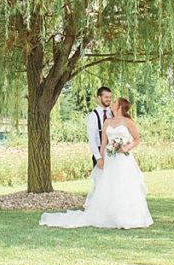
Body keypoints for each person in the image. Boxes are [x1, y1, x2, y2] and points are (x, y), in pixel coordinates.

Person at [39, 96, 153, 229]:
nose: (112, 103)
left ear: (120, 106)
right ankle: (108, 216)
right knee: (109, 184)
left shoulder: (128, 122)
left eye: (115, 102)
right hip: (110, 158)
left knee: (124, 184)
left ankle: (128, 217)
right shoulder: (107, 122)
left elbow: (137, 139)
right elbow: (104, 143)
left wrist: (126, 148)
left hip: (123, 160)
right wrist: (101, 158)